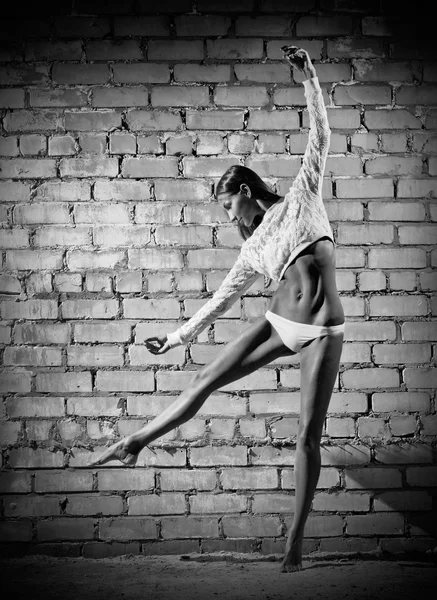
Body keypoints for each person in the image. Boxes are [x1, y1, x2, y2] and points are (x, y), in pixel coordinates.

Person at [89, 46, 345, 573]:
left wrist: (308, 76)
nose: (229, 217)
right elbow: (220, 299)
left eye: (229, 206)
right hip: (279, 323)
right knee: (205, 377)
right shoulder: (252, 249)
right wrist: (178, 337)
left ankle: (294, 543)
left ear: (246, 192)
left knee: (306, 435)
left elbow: (319, 133)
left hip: (322, 332)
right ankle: (136, 440)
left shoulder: (302, 198)